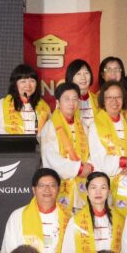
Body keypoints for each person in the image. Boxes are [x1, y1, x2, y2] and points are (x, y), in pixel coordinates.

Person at [0, 168, 70, 253]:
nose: (47, 190)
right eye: (42, 186)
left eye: (52, 185)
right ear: (34, 190)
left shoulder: (69, 219)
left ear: (59, 189)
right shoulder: (18, 216)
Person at [58, 172, 123, 253]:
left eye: (103, 188)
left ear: (108, 191)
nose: (98, 192)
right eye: (93, 188)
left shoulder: (119, 220)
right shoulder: (76, 221)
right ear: (87, 192)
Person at [89, 80, 127, 214]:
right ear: (103, 100)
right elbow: (98, 158)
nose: (114, 101)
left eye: (118, 97)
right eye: (109, 97)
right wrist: (125, 161)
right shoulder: (95, 126)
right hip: (106, 185)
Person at [40, 82, 92, 213]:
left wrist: (89, 166)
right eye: (67, 99)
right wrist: (78, 168)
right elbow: (51, 158)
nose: (71, 103)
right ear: (58, 102)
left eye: (75, 99)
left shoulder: (83, 127)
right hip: (59, 187)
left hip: (81, 187)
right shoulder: (50, 126)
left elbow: (91, 153)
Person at [0, 63, 51, 135]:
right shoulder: (2, 104)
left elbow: (50, 134)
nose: (28, 85)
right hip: (10, 145)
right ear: (15, 84)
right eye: (23, 81)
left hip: (37, 146)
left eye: (32, 81)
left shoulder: (44, 106)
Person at [65, 59, 98, 128]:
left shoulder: (98, 100)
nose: (83, 77)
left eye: (86, 73)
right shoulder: (64, 102)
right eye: (78, 74)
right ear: (71, 77)